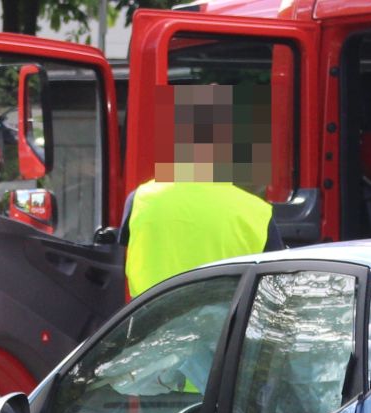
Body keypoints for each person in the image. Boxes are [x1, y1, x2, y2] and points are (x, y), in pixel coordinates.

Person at [121, 85, 284, 297]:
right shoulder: (257, 213)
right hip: (222, 328)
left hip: (150, 325)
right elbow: (277, 285)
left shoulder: (140, 199)